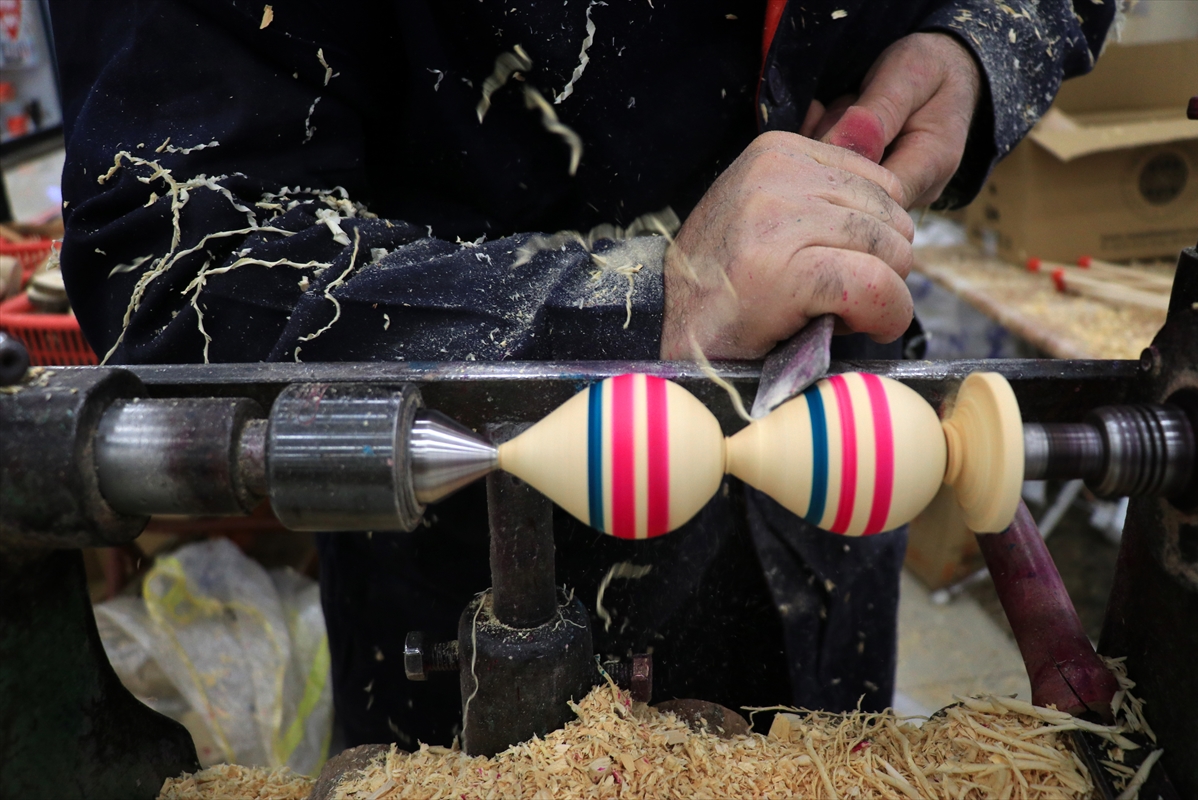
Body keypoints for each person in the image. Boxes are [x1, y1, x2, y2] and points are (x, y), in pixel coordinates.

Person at [50, 0, 1115, 749]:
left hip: (840, 486)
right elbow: (171, 258)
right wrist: (655, 296)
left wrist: (971, 43)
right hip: (475, 546)